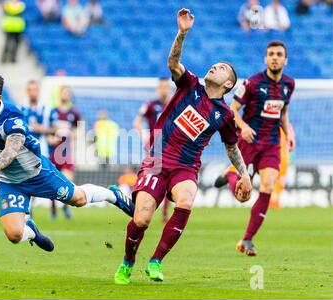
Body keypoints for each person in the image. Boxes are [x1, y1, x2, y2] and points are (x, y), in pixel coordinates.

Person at [113, 8, 252, 285]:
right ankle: (128, 262)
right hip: (158, 156)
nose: (215, 66)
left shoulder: (224, 115)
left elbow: (231, 147)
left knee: (186, 200)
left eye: (222, 67)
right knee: (141, 220)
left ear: (228, 84)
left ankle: (155, 262)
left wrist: (245, 173)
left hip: (186, 166)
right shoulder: (190, 84)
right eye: (215, 64)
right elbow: (173, 62)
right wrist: (182, 33)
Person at [0, 72, 135, 252]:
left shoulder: (12, 117)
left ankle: (113, 196)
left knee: (78, 199)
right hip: (8, 181)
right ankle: (32, 231)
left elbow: (12, 149)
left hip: (37, 173)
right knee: (14, 235)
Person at [214, 40, 295, 256]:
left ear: (285, 60)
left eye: (279, 54)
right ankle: (231, 175)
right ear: (266, 58)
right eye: (271, 54)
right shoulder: (252, 83)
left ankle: (247, 240)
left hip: (271, 145)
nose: (275, 57)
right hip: (248, 143)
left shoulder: (289, 84)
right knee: (243, 195)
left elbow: (283, 113)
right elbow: (232, 110)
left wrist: (289, 134)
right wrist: (243, 126)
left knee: (268, 186)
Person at [134, 77, 172, 223]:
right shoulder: (151, 105)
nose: (164, 89)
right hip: (154, 145)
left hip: (171, 145)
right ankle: (140, 205)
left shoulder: (174, 105)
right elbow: (137, 121)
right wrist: (143, 134)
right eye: (161, 87)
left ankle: (164, 211)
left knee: (167, 176)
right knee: (150, 175)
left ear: (169, 88)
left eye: (166, 87)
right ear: (158, 88)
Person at [47, 86, 80, 220]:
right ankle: (53, 210)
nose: (65, 95)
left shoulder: (74, 113)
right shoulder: (53, 112)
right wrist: (51, 138)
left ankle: (66, 207)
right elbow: (48, 130)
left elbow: (77, 129)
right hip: (54, 152)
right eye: (63, 93)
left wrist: (73, 135)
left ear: (70, 96)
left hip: (66, 153)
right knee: (52, 182)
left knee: (68, 181)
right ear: (60, 95)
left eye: (67, 93)